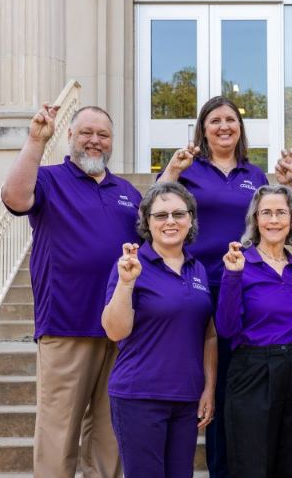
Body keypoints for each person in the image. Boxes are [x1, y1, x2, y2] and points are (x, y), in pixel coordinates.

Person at [156, 96, 292, 478]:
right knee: (204, 384)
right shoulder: (189, 171)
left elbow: (272, 220)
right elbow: (153, 208)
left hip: (243, 287)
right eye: (215, 120)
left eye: (231, 120)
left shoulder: (254, 174)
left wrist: (283, 185)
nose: (224, 127)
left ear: (240, 128)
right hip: (196, 285)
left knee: (234, 386)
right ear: (203, 128)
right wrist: (171, 168)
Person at [2, 104, 141, 478]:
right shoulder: (48, 179)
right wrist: (35, 141)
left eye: (103, 135)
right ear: (71, 137)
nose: (95, 141)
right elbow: (15, 199)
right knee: (58, 431)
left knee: (109, 436)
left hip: (120, 329)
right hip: (66, 323)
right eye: (87, 133)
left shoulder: (126, 192)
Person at [102, 182, 217, 478]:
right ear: (147, 222)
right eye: (161, 215)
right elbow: (115, 331)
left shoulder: (198, 269)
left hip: (185, 397)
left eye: (179, 214)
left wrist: (209, 388)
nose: (170, 222)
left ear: (190, 219)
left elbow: (209, 335)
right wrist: (126, 284)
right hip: (139, 395)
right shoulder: (131, 265)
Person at [216, 184, 292, 478]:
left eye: (281, 213)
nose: (274, 220)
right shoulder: (240, 264)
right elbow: (226, 327)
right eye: (266, 213)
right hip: (252, 369)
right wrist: (233, 277)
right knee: (251, 464)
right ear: (255, 220)